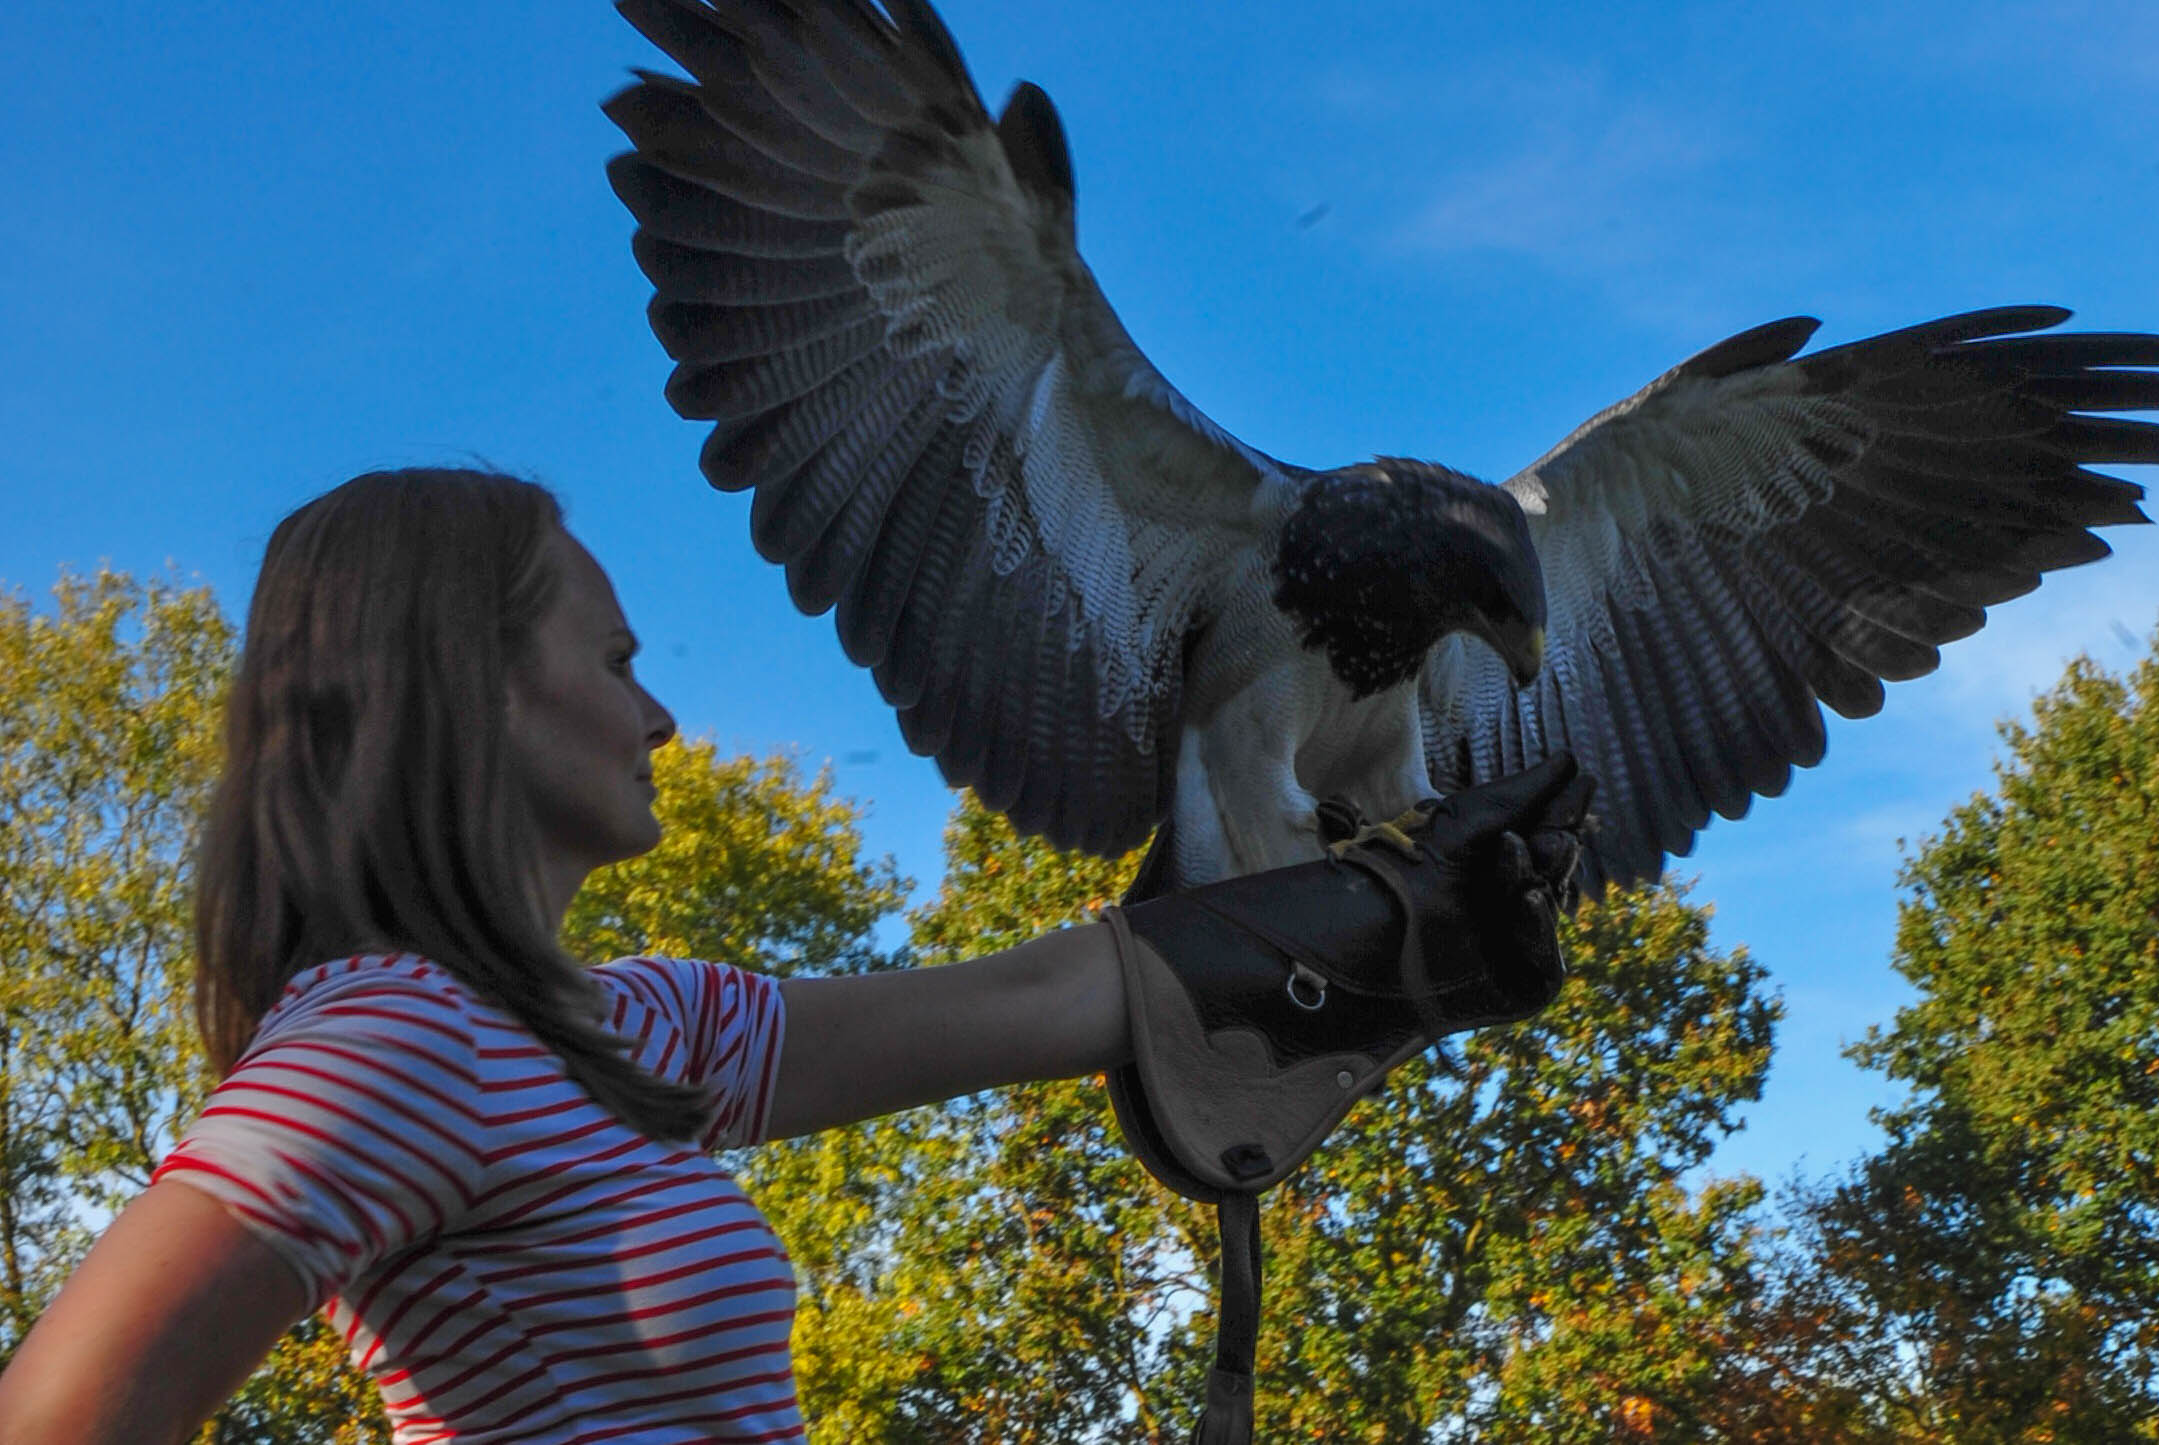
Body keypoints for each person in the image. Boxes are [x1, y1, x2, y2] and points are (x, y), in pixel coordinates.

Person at [0, 468, 1583, 1444]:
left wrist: (1392, 919)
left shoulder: (633, 1029)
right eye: (616, 661)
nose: (662, 717)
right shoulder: (390, 1039)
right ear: (466, 680)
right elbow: (61, 1416)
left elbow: (1041, 995)